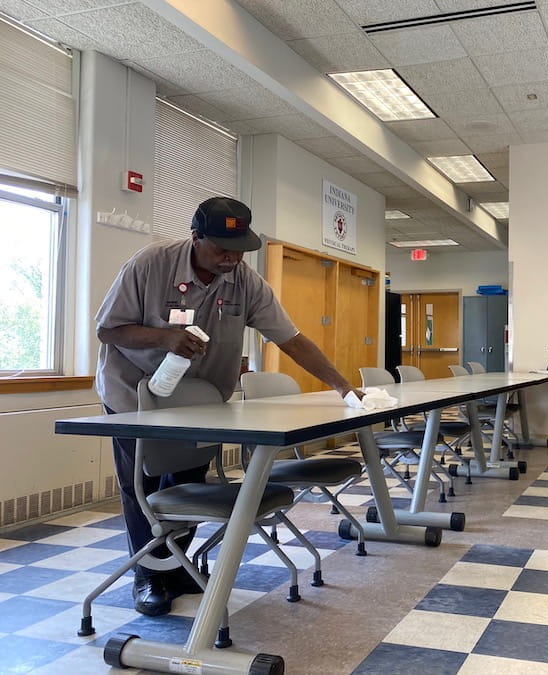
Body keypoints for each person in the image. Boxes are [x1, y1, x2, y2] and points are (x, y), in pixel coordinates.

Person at [95, 196, 363, 616]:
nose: (232, 258)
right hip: (133, 395)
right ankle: (148, 575)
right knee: (142, 489)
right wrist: (164, 338)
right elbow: (109, 330)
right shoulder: (150, 265)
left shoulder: (246, 282)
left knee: (187, 484)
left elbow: (291, 340)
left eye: (239, 249)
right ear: (195, 237)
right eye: (221, 247)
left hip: (199, 403)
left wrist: (343, 386)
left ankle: (176, 565)